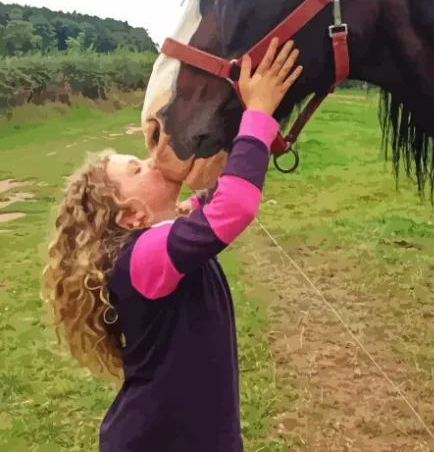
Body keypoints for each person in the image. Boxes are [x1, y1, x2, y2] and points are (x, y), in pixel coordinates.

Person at [42, 38, 302, 452]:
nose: (151, 158)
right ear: (130, 216)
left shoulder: (159, 239)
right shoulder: (141, 259)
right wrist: (258, 112)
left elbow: (219, 193)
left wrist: (243, 122)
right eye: (137, 167)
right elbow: (233, 207)